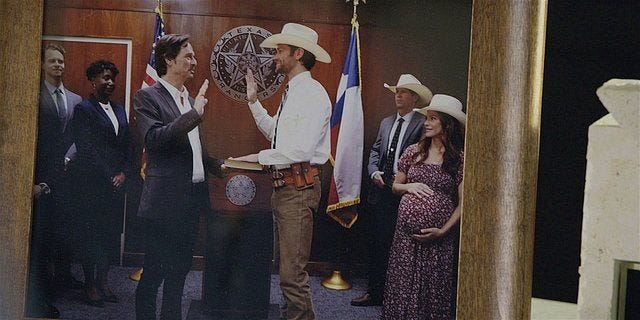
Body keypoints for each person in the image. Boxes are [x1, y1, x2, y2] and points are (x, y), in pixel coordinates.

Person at [233, 22, 332, 320]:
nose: (274, 56)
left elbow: (299, 151)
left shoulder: (312, 94)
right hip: (287, 190)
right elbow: (277, 135)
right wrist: (253, 101)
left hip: (298, 191)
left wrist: (259, 156)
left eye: (280, 50)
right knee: (287, 270)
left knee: (292, 274)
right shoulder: (295, 91)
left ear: (298, 53)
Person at [133, 34, 223, 320]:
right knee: (156, 271)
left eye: (194, 56)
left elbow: (194, 150)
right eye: (188, 56)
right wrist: (193, 115)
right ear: (169, 60)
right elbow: (154, 139)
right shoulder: (148, 96)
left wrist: (219, 166)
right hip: (163, 204)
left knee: (179, 272)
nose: (194, 61)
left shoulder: (190, 99)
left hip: (192, 200)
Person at [381, 94, 466, 320]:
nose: (426, 123)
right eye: (427, 118)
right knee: (402, 285)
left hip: (438, 240)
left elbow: (463, 203)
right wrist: (409, 187)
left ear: (446, 124)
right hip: (405, 239)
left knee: (431, 289)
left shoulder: (458, 159)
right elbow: (395, 186)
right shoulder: (413, 152)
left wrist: (442, 231)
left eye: (433, 119)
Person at [351, 74, 432, 307]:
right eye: (397, 91)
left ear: (414, 98)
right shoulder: (387, 122)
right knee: (378, 242)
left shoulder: (421, 123)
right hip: (381, 190)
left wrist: (407, 179)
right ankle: (373, 292)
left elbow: (424, 155)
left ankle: (395, 297)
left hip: (406, 192)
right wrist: (373, 171)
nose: (398, 95)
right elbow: (376, 150)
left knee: (401, 246)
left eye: (403, 92)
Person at [26, 43, 83, 318]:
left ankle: (52, 289)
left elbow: (76, 136)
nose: (58, 65)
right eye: (52, 61)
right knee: (37, 241)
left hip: (64, 178)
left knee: (57, 236)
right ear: (42, 65)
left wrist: (69, 158)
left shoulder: (74, 99)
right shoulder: (32, 95)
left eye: (61, 61)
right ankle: (35, 299)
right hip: (38, 178)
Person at [70, 60, 133, 307]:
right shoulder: (84, 109)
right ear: (93, 80)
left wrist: (124, 173)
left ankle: (104, 282)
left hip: (116, 185)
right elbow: (86, 149)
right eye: (105, 78)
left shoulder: (119, 110)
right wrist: (110, 175)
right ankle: (90, 285)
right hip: (93, 186)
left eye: (112, 78)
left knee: (108, 236)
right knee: (91, 236)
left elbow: (128, 145)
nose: (110, 83)